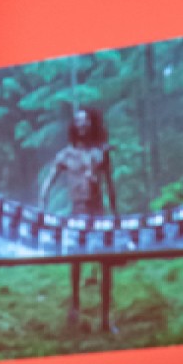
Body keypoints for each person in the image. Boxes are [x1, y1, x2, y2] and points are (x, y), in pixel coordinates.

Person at [40, 105, 119, 333]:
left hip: (98, 212)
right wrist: (43, 197)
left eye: (85, 121)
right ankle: (74, 308)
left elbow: (109, 184)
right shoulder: (66, 154)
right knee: (76, 261)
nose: (82, 125)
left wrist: (115, 214)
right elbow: (50, 178)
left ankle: (106, 318)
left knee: (106, 263)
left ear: (91, 124)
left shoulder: (100, 152)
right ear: (74, 126)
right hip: (77, 211)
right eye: (78, 121)